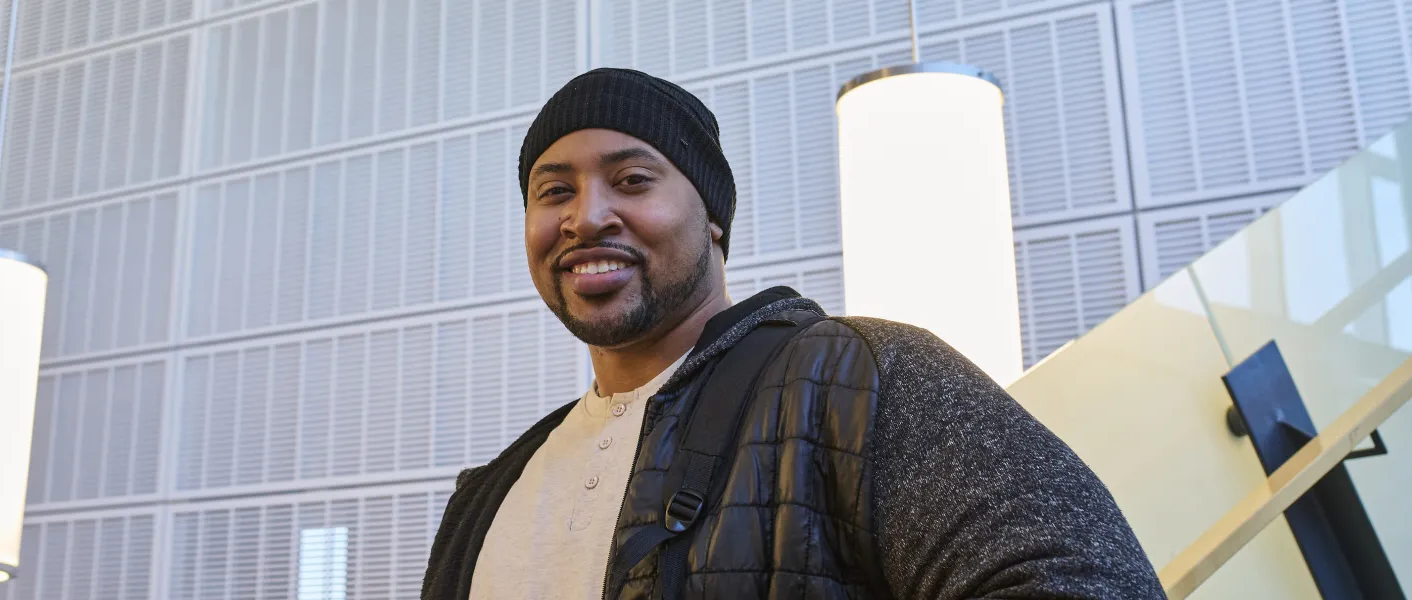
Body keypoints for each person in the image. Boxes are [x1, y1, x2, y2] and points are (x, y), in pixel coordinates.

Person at [422, 68, 1164, 599]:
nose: (586, 216)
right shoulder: (488, 495)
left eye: (633, 180)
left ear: (712, 217)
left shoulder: (861, 377)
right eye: (555, 191)